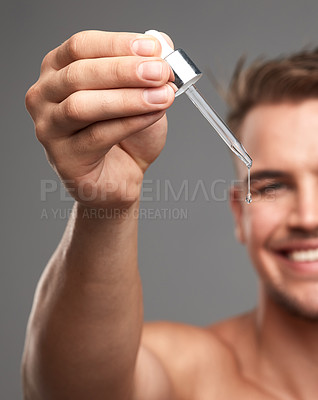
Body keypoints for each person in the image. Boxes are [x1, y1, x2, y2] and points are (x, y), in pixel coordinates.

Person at [22, 30, 318, 399]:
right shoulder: (188, 375)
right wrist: (108, 206)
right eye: (272, 187)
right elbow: (71, 391)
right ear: (240, 213)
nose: (308, 217)